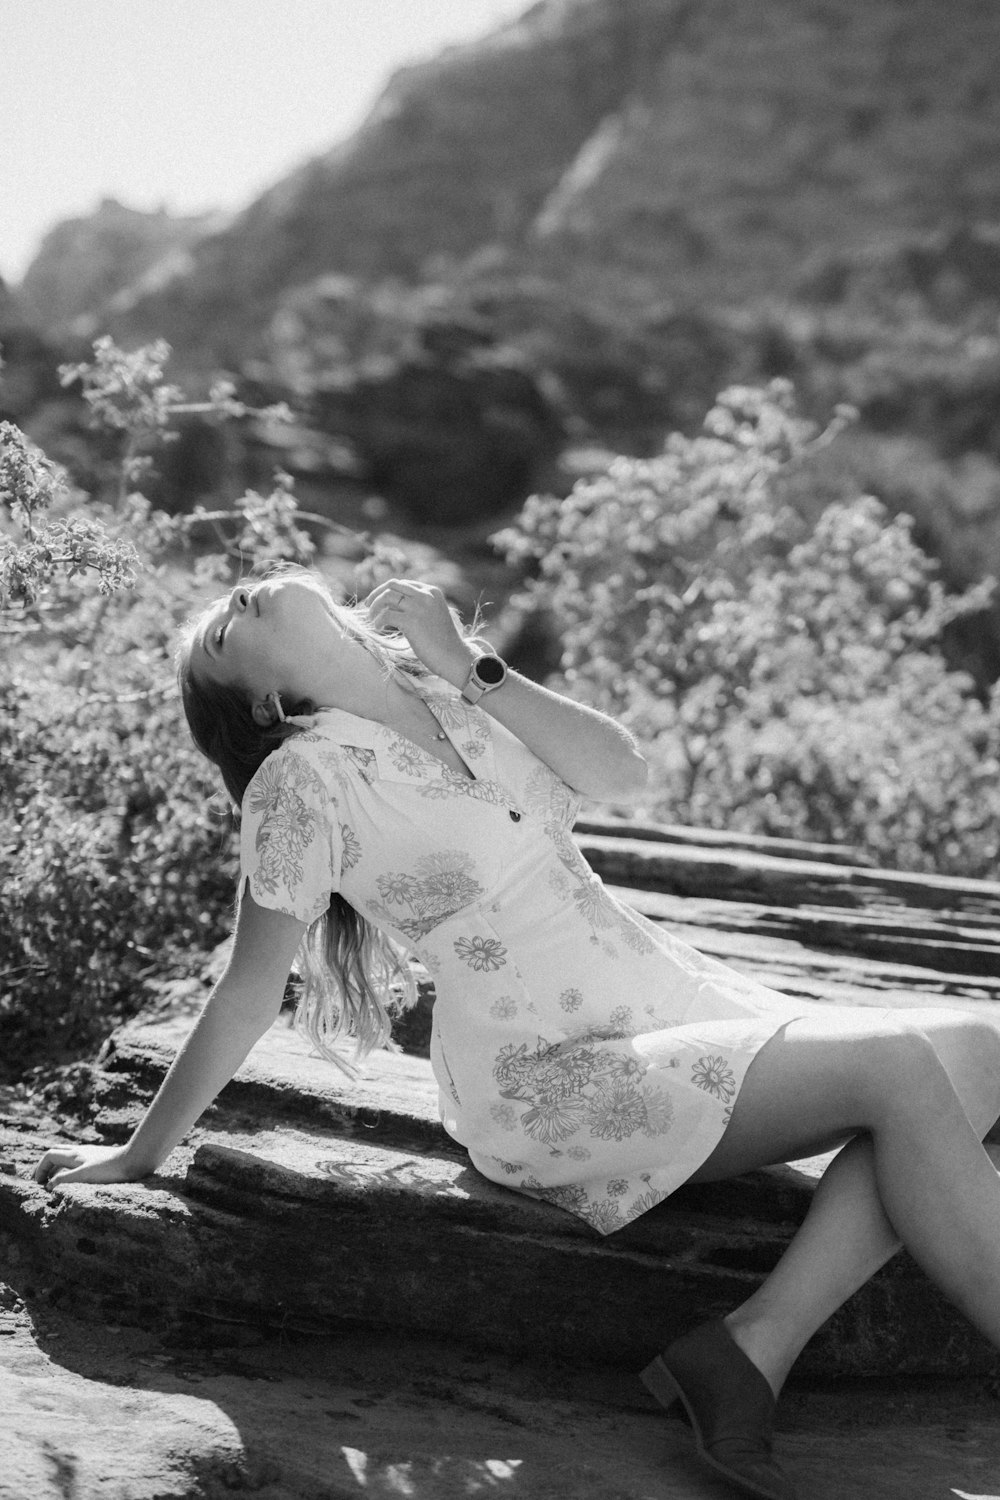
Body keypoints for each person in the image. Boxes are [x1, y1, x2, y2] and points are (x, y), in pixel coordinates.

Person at [33, 566, 1000, 1500]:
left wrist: (468, 661)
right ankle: (752, 1356)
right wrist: (140, 1151)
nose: (230, 601)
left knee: (983, 1049)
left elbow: (622, 771)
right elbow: (249, 990)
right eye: (218, 635)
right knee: (898, 1070)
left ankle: (751, 1350)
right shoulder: (301, 785)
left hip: (673, 1007)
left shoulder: (445, 684)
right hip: (554, 1079)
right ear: (262, 705)